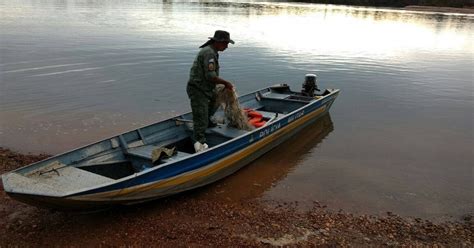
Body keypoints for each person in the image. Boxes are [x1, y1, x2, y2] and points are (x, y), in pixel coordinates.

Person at [187, 30, 234, 152]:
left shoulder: (213, 51)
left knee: (216, 99)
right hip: (198, 89)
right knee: (200, 117)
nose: (227, 46)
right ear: (218, 42)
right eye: (225, 44)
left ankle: (207, 121)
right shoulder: (209, 53)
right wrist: (226, 83)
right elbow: (210, 76)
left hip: (206, 88)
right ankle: (199, 143)